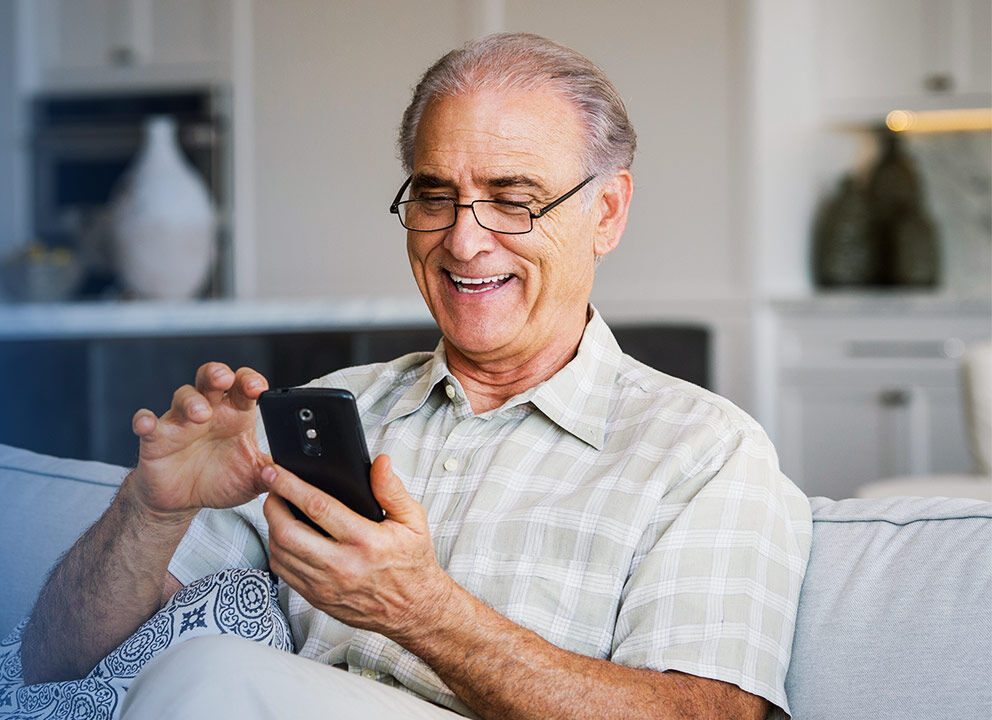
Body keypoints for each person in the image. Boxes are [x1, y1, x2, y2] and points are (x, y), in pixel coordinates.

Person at [19, 33, 811, 719]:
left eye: (512, 200)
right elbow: (55, 665)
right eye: (436, 196)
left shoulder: (704, 450)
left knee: (214, 675)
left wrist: (423, 612)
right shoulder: (332, 414)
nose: (463, 242)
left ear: (606, 212)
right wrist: (149, 510)